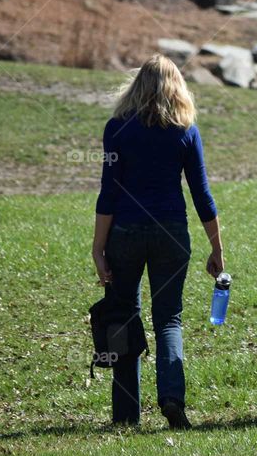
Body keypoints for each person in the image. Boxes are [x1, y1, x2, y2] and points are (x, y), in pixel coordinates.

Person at [92, 54, 224, 429]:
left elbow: (108, 194)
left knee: (123, 316)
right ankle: (171, 397)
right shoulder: (185, 131)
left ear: (136, 86)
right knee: (169, 318)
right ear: (177, 89)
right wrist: (217, 248)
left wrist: (98, 248)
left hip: (125, 234)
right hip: (171, 233)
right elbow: (202, 195)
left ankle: (126, 413)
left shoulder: (117, 128)